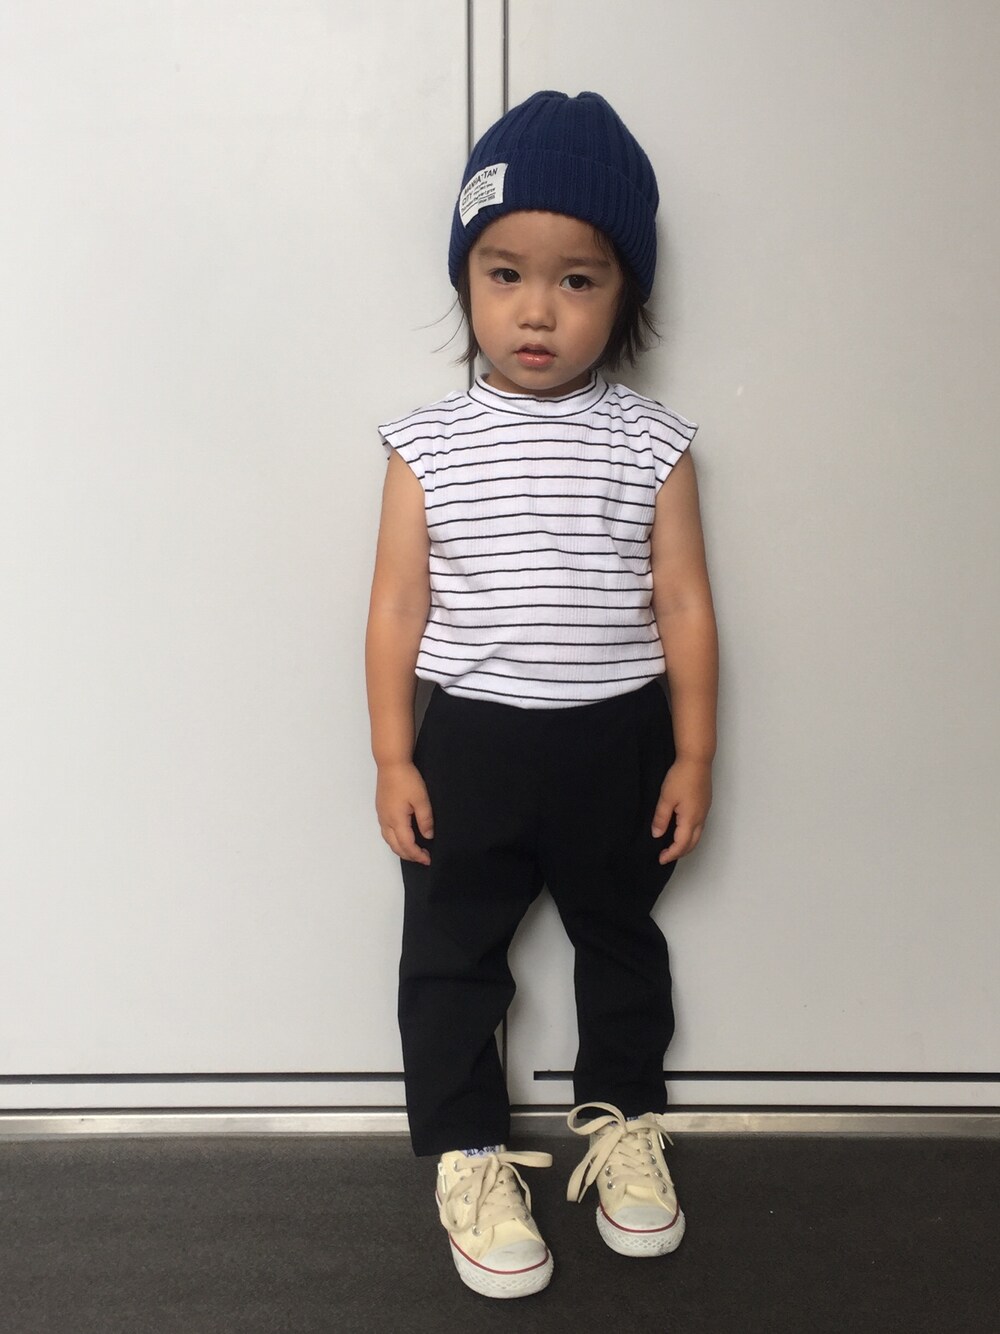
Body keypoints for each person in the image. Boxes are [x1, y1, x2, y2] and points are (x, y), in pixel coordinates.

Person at [365, 89, 718, 1299]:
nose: (535, 308)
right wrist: (393, 756)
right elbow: (396, 610)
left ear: (626, 297)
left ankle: (622, 1122)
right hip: (468, 744)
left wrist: (693, 753)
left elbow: (684, 605)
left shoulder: (652, 441)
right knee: (451, 951)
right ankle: (467, 1150)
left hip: (617, 739)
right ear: (466, 278)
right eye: (505, 272)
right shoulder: (425, 443)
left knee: (621, 939)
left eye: (578, 279)